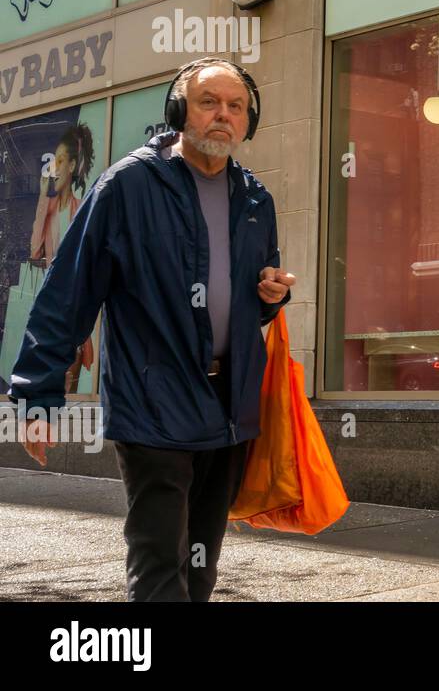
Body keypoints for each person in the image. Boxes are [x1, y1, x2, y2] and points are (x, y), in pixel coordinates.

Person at [7, 57, 295, 601]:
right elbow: (68, 291)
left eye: (236, 107)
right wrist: (38, 396)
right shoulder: (128, 186)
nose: (223, 116)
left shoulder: (255, 198)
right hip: (153, 404)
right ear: (179, 111)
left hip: (228, 409)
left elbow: (251, 302)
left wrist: (271, 296)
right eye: (209, 102)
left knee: (201, 567)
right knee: (161, 568)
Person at [28, 123, 98, 394]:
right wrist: (43, 200)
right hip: (49, 313)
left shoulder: (81, 209)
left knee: (67, 396)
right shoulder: (49, 210)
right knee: (49, 391)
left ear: (71, 166)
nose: (54, 168)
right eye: (52, 161)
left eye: (60, 160)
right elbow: (35, 251)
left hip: (75, 315)